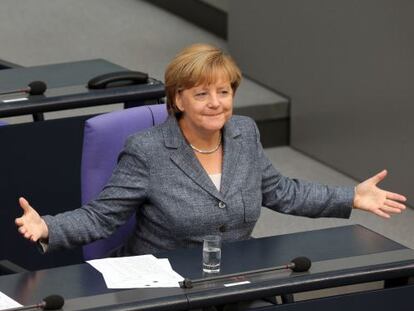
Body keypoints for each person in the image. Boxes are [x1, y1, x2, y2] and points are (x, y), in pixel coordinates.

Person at [15, 43, 407, 257]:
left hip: (235, 274)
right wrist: (49, 226)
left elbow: (281, 192)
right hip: (165, 282)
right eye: (202, 93)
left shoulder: (243, 133)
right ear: (178, 100)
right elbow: (102, 218)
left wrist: (351, 196)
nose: (216, 103)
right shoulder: (147, 150)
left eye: (224, 92)